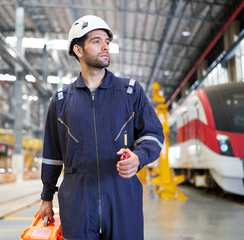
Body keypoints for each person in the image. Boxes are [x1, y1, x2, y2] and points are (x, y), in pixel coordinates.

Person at [39, 15, 164, 240]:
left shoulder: (130, 92)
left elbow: (153, 134)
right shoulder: (60, 101)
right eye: (97, 41)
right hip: (77, 199)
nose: (105, 46)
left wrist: (138, 158)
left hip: (122, 195)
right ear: (78, 49)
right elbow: (52, 155)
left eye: (107, 41)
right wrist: (47, 197)